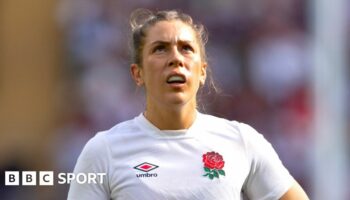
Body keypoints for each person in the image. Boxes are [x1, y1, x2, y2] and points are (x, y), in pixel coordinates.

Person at [67, 9, 309, 200]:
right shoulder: (103, 151)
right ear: (137, 73)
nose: (175, 58)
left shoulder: (241, 141)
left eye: (186, 49)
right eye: (160, 49)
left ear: (202, 71)